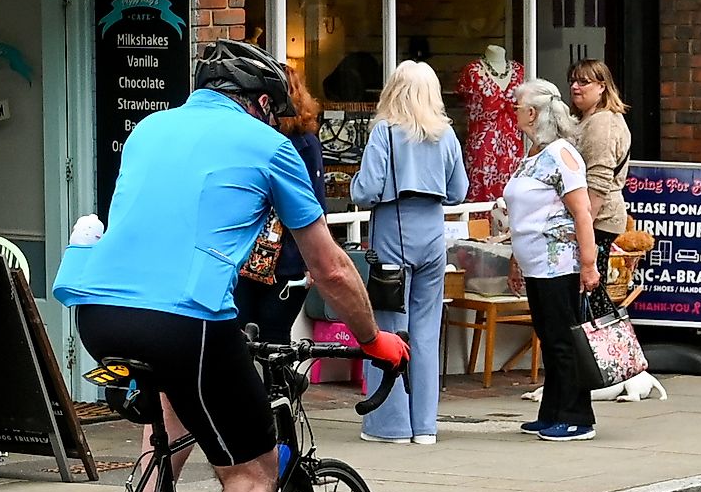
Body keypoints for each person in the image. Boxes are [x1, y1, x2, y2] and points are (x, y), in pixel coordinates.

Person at [53, 40, 409, 492]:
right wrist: (372, 341)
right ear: (265, 103)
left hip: (99, 311)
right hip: (186, 319)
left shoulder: (151, 128)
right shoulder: (267, 145)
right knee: (249, 474)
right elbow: (331, 269)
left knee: (181, 407)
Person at [350, 61, 470, 445]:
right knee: (425, 328)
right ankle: (425, 425)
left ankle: (391, 424)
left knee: (388, 325)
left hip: (394, 229)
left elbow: (365, 191)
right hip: (433, 231)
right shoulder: (446, 135)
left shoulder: (385, 132)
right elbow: (458, 191)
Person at [498, 78, 603, 442]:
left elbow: (582, 211)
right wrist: (516, 257)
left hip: (559, 263)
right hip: (535, 262)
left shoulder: (562, 154)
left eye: (516, 106)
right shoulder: (532, 156)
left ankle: (577, 416)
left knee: (563, 339)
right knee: (548, 334)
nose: (513, 112)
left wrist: (589, 265)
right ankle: (553, 411)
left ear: (532, 112)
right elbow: (522, 214)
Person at [231, 66, 325, 345]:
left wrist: (313, 261)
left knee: (272, 339)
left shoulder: (305, 144)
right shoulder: (255, 140)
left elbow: (315, 203)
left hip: (285, 260)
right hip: (250, 258)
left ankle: (279, 390)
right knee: (246, 337)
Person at [567, 60, 631, 241]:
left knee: (591, 270)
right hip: (589, 219)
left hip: (599, 221)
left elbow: (598, 181)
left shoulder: (602, 122)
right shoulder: (587, 119)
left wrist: (582, 228)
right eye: (572, 81)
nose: (575, 87)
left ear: (602, 86)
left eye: (583, 82)